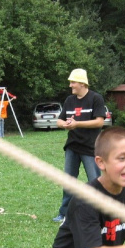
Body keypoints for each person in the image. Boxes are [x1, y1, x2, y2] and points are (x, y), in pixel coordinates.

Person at [53, 68, 106, 222]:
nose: (71, 85)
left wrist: (77, 124)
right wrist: (66, 125)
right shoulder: (70, 100)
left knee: (94, 181)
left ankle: (100, 212)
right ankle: (65, 213)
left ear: (82, 83)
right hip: (72, 146)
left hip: (90, 148)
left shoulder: (96, 98)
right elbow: (59, 120)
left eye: (73, 82)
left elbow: (99, 122)